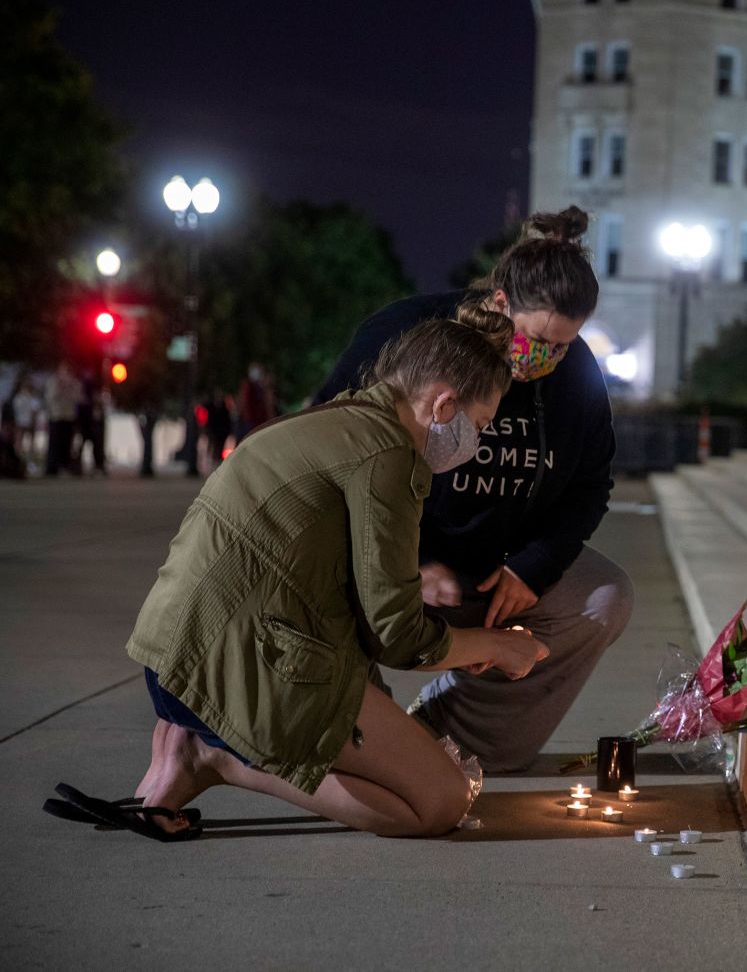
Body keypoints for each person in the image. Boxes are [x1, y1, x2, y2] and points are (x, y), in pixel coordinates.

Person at [49, 306, 551, 841]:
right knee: (439, 801)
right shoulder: (391, 456)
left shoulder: (340, 418)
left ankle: (192, 744)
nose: (474, 443)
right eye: (477, 425)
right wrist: (496, 648)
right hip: (236, 672)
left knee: (404, 755)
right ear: (444, 403)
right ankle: (215, 758)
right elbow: (401, 638)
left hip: (174, 656)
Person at [314, 206, 632, 773]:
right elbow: (335, 454)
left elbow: (590, 484)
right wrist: (409, 557)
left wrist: (534, 566)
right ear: (501, 301)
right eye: (539, 340)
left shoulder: (574, 371)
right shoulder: (406, 334)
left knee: (603, 596)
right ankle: (349, 735)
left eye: (564, 344)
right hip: (388, 561)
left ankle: (455, 737)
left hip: (491, 576)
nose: (548, 359)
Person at [44, 362, 79, 477]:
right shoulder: (53, 382)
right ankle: (52, 466)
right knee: (54, 442)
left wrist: (69, 386)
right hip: (56, 416)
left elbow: (78, 397)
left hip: (68, 416)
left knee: (66, 442)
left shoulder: (74, 383)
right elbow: (50, 397)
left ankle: (65, 465)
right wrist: (60, 386)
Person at [236, 362, 276, 442]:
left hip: (260, 422)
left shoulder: (261, 387)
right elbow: (246, 405)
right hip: (252, 423)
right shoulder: (248, 386)